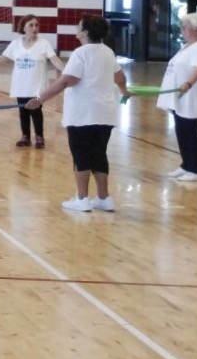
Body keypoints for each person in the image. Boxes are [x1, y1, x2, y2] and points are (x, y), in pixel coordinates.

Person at [26, 15, 129, 212]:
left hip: (83, 114)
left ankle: (82, 199)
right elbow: (120, 77)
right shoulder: (108, 52)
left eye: (79, 26)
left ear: (85, 32)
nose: (76, 28)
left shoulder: (81, 53)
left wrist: (40, 99)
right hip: (105, 114)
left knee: (81, 155)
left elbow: (67, 80)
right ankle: (104, 198)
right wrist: (125, 92)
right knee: (99, 154)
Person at [0, 15, 65, 148]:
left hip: (36, 87)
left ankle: (39, 137)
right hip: (21, 85)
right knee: (23, 111)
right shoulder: (15, 44)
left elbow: (54, 59)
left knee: (36, 110)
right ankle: (25, 136)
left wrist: (66, 71)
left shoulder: (44, 43)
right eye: (31, 25)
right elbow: (2, 58)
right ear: (23, 27)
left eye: (36, 25)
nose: (34, 28)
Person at [158, 13, 197, 183]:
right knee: (182, 131)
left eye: (184, 27)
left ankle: (195, 169)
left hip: (191, 97)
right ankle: (186, 165)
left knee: (190, 133)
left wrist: (188, 83)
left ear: (195, 29)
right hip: (181, 98)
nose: (182, 30)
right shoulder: (190, 46)